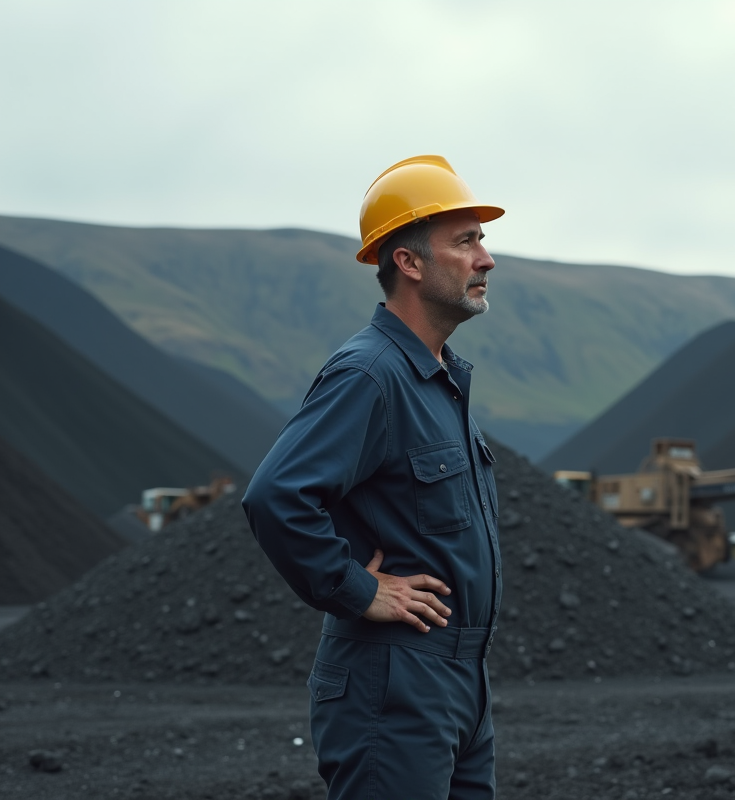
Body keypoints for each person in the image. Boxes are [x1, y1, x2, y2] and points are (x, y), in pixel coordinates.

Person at [242, 155, 504, 799]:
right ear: (409, 263)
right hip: (393, 681)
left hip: (460, 679)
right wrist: (357, 588)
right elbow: (276, 495)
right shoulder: (370, 375)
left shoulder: (441, 380)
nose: (486, 259)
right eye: (466, 241)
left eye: (482, 239)